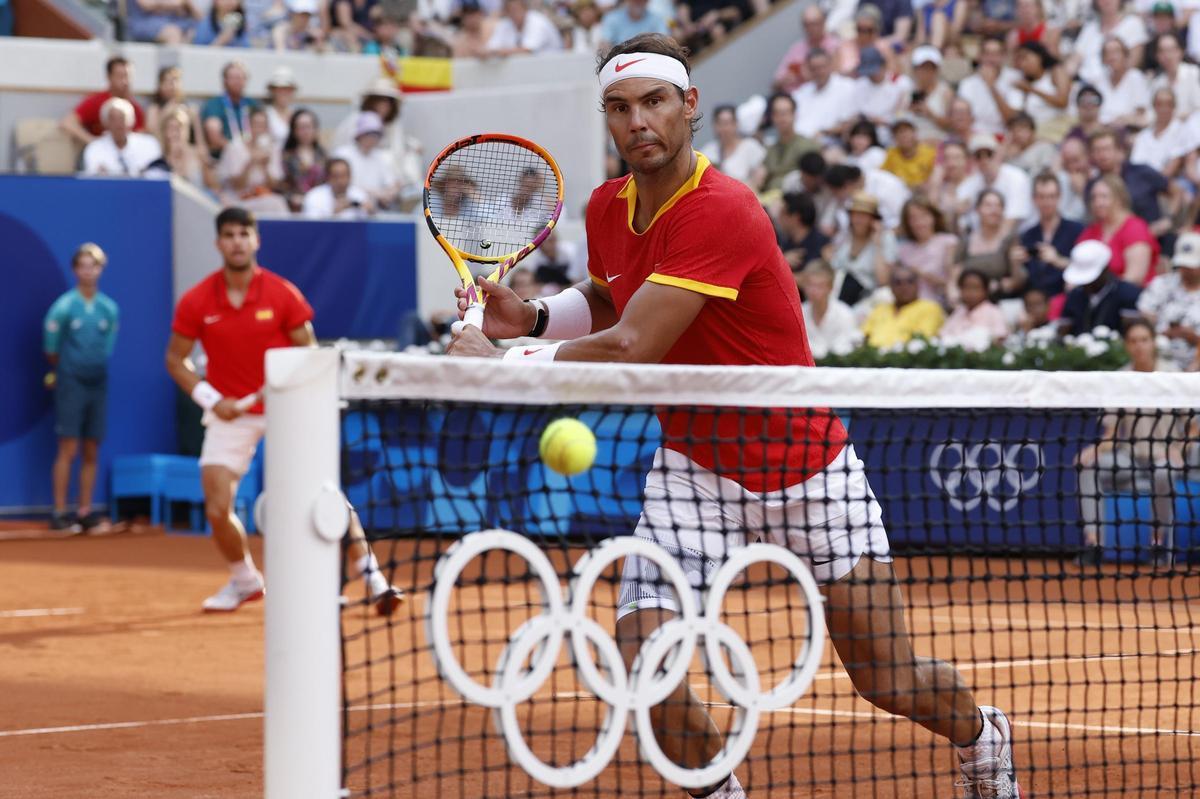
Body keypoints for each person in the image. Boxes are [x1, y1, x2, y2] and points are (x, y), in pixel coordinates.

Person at [442, 32, 1021, 799]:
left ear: (689, 106)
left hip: (808, 466)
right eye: (619, 107)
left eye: (653, 102)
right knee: (642, 662)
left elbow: (636, 344)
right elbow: (618, 294)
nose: (636, 121)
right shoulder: (606, 206)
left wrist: (503, 361)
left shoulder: (724, 208)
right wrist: (538, 316)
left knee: (889, 677)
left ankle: (984, 738)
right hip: (695, 468)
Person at [165, 207, 399, 613]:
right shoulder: (198, 299)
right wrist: (210, 400)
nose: (237, 241)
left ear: (255, 240)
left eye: (244, 234)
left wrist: (283, 389)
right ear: (219, 243)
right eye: (230, 235)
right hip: (230, 415)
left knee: (324, 493)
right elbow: (175, 360)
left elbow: (308, 354)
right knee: (217, 506)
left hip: (286, 408)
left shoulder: (282, 293)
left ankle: (372, 577)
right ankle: (244, 581)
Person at [1075, 318, 1192, 568]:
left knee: (1163, 473)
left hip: (1165, 457)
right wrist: (1095, 449)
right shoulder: (1121, 379)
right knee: (1088, 466)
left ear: (1153, 343)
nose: (1139, 346)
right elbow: (1113, 431)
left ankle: (1158, 544)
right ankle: (1094, 544)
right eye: (1133, 341)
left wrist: (1178, 450)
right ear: (1127, 346)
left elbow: (1193, 426)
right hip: (1128, 459)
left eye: (1144, 340)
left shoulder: (1173, 376)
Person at [43, 243, 119, 534]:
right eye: (83, 265)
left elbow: (107, 349)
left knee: (91, 448)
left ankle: (84, 510)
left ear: (101, 269)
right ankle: (60, 512)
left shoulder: (109, 309)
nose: (88, 271)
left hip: (98, 383)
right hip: (71, 382)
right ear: (75, 270)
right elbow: (51, 350)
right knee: (68, 447)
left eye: (94, 265)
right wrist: (67, 370)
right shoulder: (63, 307)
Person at [1077, 174, 1160, 287]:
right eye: (1094, 198)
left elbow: (1135, 277)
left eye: (1104, 197)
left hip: (1127, 297)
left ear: (1119, 199)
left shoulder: (1135, 228)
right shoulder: (1090, 231)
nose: (1098, 203)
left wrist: (1102, 294)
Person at [1012, 172, 1084, 299]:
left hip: (1065, 297)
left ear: (1059, 197)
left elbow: (1085, 270)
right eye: (1042, 197)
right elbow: (1020, 281)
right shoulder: (1028, 235)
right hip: (1033, 301)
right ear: (1034, 199)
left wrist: (1057, 260)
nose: (1047, 202)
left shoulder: (1076, 230)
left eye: (1051, 196)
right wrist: (1015, 263)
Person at [1136, 230, 1200, 369]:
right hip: (1159, 361)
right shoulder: (1162, 284)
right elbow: (1142, 317)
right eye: (1183, 265)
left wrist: (1194, 338)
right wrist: (1164, 332)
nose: (1186, 269)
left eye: (1192, 266)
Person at [1057, 240, 1142, 336]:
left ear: (1105, 270)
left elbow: (1132, 334)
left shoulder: (1127, 293)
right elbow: (1063, 332)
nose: (1086, 284)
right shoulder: (1075, 295)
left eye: (1090, 279)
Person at [60, 56, 147, 149]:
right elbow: (68, 122)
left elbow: (140, 137)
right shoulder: (96, 101)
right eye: (120, 76)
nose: (125, 81)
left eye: (128, 76)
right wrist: (92, 142)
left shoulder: (136, 109)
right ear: (109, 77)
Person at [828, 190, 896, 306]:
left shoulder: (886, 238)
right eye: (855, 214)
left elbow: (883, 280)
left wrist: (877, 244)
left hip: (868, 298)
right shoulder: (845, 236)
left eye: (864, 216)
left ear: (874, 219)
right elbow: (833, 267)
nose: (858, 220)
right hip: (840, 294)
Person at [956, 133, 1032, 233]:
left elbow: (1012, 221)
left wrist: (990, 245)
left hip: (1018, 238)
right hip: (979, 241)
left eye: (989, 154)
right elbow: (961, 225)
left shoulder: (1017, 177)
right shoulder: (967, 186)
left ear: (998, 154)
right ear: (973, 160)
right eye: (978, 156)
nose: (984, 160)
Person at [957, 189, 1025, 300]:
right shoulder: (967, 240)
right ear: (977, 209)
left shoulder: (1010, 239)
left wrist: (999, 285)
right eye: (988, 205)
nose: (994, 210)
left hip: (1000, 300)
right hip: (969, 302)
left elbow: (1017, 281)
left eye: (998, 206)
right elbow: (955, 274)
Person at [861, 264, 947, 347]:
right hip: (871, 359)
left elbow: (922, 342)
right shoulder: (880, 309)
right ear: (890, 287)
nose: (904, 287)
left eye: (910, 281)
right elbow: (864, 337)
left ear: (918, 285)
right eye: (898, 283)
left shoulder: (930, 308)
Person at [896, 194, 959, 306]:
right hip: (907, 304)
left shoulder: (948, 242)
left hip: (935, 303)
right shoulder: (903, 249)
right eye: (913, 218)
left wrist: (921, 274)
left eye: (924, 216)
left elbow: (951, 283)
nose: (919, 222)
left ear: (933, 217)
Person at [956, 35, 1021, 137]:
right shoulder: (967, 83)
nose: (991, 59)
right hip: (975, 135)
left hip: (1005, 135)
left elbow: (1012, 120)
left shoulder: (1015, 79)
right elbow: (961, 120)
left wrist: (991, 87)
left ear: (1003, 56)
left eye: (996, 54)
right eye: (987, 54)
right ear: (980, 56)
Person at [752, 93, 818, 193]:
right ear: (772, 117)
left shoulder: (807, 146)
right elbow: (761, 178)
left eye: (785, 113)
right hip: (767, 199)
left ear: (794, 115)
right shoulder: (770, 149)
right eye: (777, 113)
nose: (782, 118)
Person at [80, 97, 162, 177]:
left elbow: (158, 175)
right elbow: (93, 179)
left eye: (122, 118)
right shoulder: (94, 149)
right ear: (105, 123)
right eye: (113, 119)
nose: (118, 124)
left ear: (131, 121)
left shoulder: (149, 144)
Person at [799, 258, 862, 358]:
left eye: (820, 286)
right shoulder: (798, 313)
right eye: (810, 285)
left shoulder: (845, 314)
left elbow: (850, 349)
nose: (813, 290)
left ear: (830, 287)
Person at [772, 4, 841, 93]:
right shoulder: (796, 48)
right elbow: (775, 83)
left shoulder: (835, 44)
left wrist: (805, 76)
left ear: (823, 22)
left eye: (814, 24)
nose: (810, 28)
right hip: (795, 97)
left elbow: (836, 75)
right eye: (806, 25)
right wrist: (784, 80)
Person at [200, 62, 261, 160]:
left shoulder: (253, 104)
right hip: (223, 157)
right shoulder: (214, 104)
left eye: (240, 78)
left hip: (250, 157)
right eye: (233, 78)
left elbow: (262, 131)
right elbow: (214, 136)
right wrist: (237, 152)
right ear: (224, 81)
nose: (237, 82)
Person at [939, 268, 1010, 350]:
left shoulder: (994, 311)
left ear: (986, 291)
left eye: (975, 288)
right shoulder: (958, 312)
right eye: (966, 287)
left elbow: (1000, 338)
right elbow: (942, 336)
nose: (970, 292)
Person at [699, 104, 765, 188]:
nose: (724, 128)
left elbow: (760, 175)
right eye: (720, 123)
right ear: (715, 126)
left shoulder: (750, 146)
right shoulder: (708, 151)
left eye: (727, 123)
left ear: (736, 124)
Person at [1129, 88, 1191, 178]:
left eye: (1169, 104)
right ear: (1154, 106)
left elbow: (1171, 168)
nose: (1164, 108)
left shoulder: (1182, 131)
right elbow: (1136, 164)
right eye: (1159, 104)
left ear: (1174, 107)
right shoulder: (1143, 136)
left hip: (1166, 183)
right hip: (1142, 182)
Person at [1008, 40, 1070, 128]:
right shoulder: (1020, 82)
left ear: (1039, 56)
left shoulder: (1056, 72)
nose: (1022, 63)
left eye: (1025, 57)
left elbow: (1062, 102)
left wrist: (1031, 89)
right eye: (1019, 60)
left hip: (1058, 126)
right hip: (1034, 130)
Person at [1095, 37, 1151, 129]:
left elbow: (1141, 112)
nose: (1112, 57)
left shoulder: (1135, 77)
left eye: (1116, 52)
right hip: (1101, 129)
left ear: (1125, 55)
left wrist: (1122, 120)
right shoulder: (1099, 80)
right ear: (1103, 59)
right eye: (1107, 53)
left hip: (1127, 129)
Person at [280, 108, 327, 212]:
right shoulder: (285, 156)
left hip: (320, 206)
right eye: (301, 127)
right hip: (292, 206)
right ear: (294, 130)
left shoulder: (324, 155)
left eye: (309, 127)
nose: (306, 132)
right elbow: (280, 185)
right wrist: (291, 197)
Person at [905, 45, 955, 143]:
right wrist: (909, 111)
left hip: (937, 142)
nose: (926, 72)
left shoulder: (946, 92)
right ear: (915, 69)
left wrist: (929, 113)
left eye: (930, 68)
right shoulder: (906, 90)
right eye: (922, 68)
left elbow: (951, 125)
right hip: (911, 145)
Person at [1149, 32, 1200, 120]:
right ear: (1157, 56)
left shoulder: (1194, 73)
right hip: (1168, 130)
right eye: (1162, 51)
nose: (1167, 55)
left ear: (1180, 51)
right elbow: (1152, 115)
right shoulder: (1156, 83)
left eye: (1171, 50)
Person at [303, 157, 372, 219]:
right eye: (335, 176)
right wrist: (334, 213)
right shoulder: (314, 196)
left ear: (350, 176)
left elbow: (369, 223)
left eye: (344, 176)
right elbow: (312, 226)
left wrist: (371, 212)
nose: (340, 181)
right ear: (327, 177)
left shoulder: (360, 195)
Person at [488, 0, 563, 56]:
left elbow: (527, 51)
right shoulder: (505, 24)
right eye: (509, 10)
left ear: (525, 8)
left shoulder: (537, 21)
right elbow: (491, 48)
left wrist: (499, 52)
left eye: (516, 9)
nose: (514, 13)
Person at [776, 192, 829, 270]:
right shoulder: (784, 244)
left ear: (796, 218)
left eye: (783, 213)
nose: (779, 217)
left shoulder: (823, 246)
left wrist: (782, 264)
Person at [881, 117, 936, 189]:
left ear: (915, 133)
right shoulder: (891, 153)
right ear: (894, 137)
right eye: (898, 132)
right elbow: (883, 176)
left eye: (906, 131)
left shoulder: (930, 152)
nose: (903, 135)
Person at [599, 0, 669, 50]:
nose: (638, 2)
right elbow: (604, 43)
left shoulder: (657, 19)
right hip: (619, 60)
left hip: (648, 60)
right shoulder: (612, 17)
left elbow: (664, 43)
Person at [264, 66, 299, 143]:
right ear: (272, 91)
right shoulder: (265, 114)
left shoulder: (296, 115)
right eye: (280, 89)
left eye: (288, 89)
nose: (284, 93)